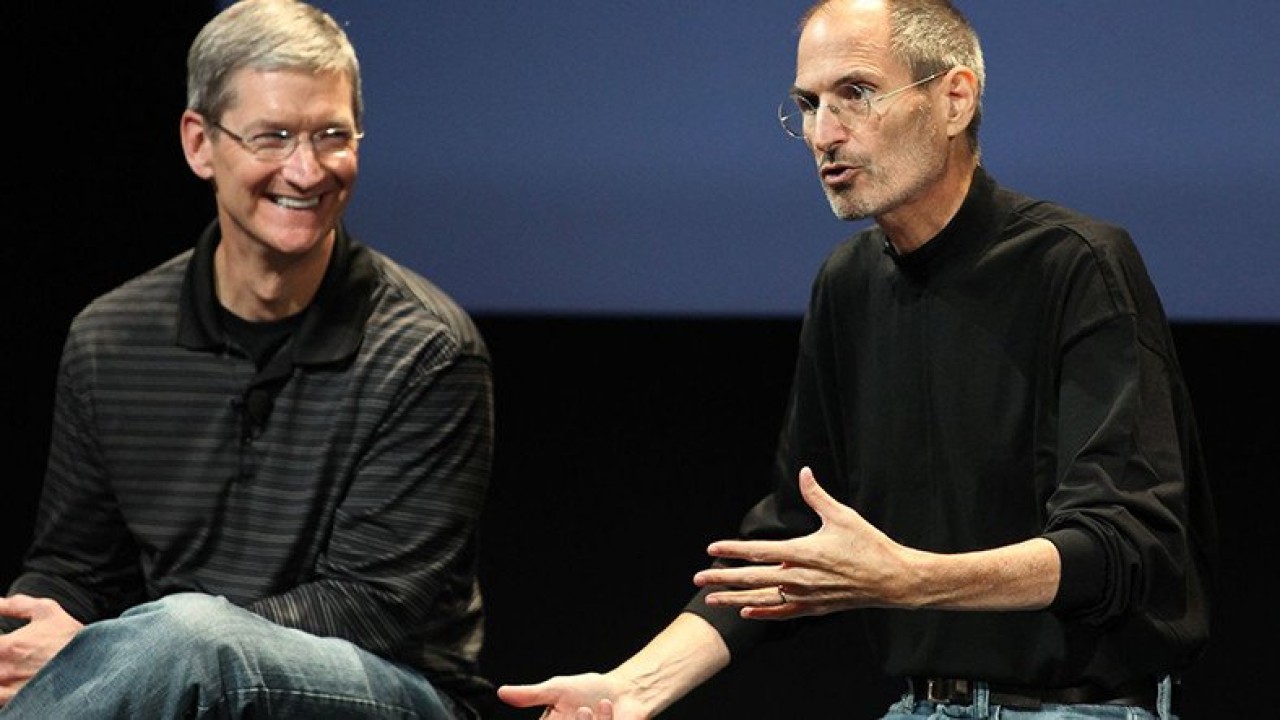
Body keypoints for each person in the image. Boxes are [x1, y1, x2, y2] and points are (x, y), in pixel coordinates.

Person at [497, 1, 1215, 718]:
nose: (823, 134)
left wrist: (911, 579)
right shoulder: (849, 284)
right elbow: (792, 537)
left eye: (857, 93)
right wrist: (632, 687)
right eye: (809, 105)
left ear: (955, 99)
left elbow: (1123, 546)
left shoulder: (1077, 265)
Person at [0, 1, 494, 718]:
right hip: (174, 679)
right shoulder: (111, 337)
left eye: (332, 136)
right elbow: (76, 569)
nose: (307, 169)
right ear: (200, 144)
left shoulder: (427, 350)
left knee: (189, 635)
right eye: (274, 136)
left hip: (389, 692)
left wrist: (120, 655)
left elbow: (374, 606)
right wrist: (30, 635)